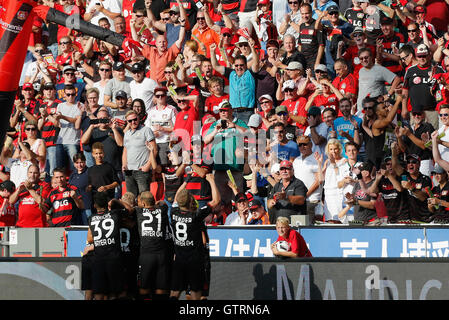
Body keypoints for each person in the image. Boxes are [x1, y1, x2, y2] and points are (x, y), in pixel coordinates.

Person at [169, 173, 220, 300]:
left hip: (179, 259)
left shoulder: (173, 212)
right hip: (194, 261)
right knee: (195, 292)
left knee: (174, 292)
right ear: (191, 201)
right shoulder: (196, 216)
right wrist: (212, 181)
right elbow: (216, 201)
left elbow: (176, 198)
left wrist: (187, 180)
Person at [86, 192, 131, 300]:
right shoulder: (115, 214)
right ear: (107, 204)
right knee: (117, 293)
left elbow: (89, 239)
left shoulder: (92, 218)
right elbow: (130, 210)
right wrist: (116, 200)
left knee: (99, 294)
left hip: (99, 259)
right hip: (114, 259)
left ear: (94, 205)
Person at [134, 191, 173, 300]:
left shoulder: (138, 211)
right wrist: (156, 204)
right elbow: (163, 203)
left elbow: (128, 207)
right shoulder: (162, 210)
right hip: (162, 256)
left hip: (146, 256)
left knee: (144, 289)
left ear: (144, 204)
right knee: (161, 289)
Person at [402, 44, 445, 129]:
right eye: (419, 56)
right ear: (416, 57)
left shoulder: (438, 70)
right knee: (416, 137)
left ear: (429, 55)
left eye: (424, 56)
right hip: (415, 113)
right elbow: (405, 90)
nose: (422, 58)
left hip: (432, 111)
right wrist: (404, 108)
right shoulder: (410, 70)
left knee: (433, 138)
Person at [122, 110, 157, 197]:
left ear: (138, 118)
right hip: (129, 171)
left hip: (142, 171)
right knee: (131, 199)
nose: (133, 122)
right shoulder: (126, 134)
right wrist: (124, 164)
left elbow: (154, 150)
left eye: (135, 119)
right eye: (130, 121)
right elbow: (125, 151)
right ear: (127, 122)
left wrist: (147, 166)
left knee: (144, 198)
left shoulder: (146, 130)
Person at [356, 47, 401, 115]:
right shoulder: (361, 71)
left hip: (375, 110)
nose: (364, 60)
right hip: (361, 109)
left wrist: (389, 95)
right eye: (361, 58)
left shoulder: (380, 69)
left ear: (371, 57)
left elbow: (397, 79)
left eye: (366, 57)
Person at [292, 135, 323, 224]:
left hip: (312, 199)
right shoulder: (296, 160)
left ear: (310, 145)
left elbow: (319, 181)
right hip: (299, 200)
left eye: (304, 144)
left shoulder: (316, 158)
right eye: (300, 145)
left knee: (310, 227)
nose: (302, 147)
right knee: (298, 225)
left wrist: (305, 195)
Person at [55, 84, 83, 172]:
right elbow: (57, 124)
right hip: (60, 141)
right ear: (64, 95)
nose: (70, 96)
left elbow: (76, 121)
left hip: (73, 141)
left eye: (72, 94)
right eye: (68, 94)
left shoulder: (79, 105)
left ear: (76, 94)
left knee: (74, 168)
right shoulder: (60, 106)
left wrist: (62, 116)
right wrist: (48, 116)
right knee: (60, 169)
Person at [321, 139, 349, 221]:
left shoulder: (344, 161)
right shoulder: (327, 162)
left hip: (338, 193)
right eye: (331, 149)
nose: (333, 151)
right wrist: (319, 164)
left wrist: (333, 163)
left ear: (339, 149)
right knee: (329, 219)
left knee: (339, 219)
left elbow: (339, 176)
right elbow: (321, 178)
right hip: (328, 194)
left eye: (335, 149)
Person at [69, 153, 92, 225]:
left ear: (85, 162)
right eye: (77, 163)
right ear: (74, 163)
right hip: (75, 209)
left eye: (81, 162)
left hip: (87, 207)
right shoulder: (73, 175)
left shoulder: (89, 172)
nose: (79, 165)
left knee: (88, 229)